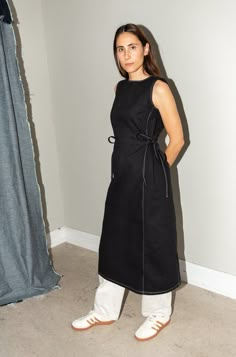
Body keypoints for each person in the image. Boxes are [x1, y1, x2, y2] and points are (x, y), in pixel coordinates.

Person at [72, 23, 185, 342]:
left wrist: (155, 170)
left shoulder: (159, 87)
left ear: (146, 48)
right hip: (120, 175)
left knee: (154, 242)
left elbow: (176, 139)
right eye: (120, 49)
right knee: (114, 241)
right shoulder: (119, 89)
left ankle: (158, 313)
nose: (126, 55)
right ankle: (105, 310)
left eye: (132, 47)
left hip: (149, 177)